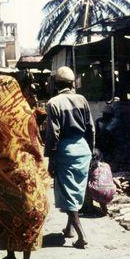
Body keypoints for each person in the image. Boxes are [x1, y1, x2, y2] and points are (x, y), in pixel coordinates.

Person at [0, 75, 49, 259]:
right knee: (29, 214)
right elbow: (35, 143)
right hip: (26, 173)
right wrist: (40, 167)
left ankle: (11, 255)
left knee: (5, 214)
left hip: (3, 175)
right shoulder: (27, 112)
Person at [45, 66, 95, 248]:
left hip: (66, 150)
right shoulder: (82, 100)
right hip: (82, 149)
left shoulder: (53, 103)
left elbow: (53, 134)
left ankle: (82, 236)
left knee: (68, 193)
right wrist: (91, 150)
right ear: (72, 83)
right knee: (75, 191)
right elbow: (91, 128)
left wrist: (50, 158)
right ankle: (69, 229)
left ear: (56, 84)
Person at [87, 149, 116, 215]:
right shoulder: (107, 165)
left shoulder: (91, 168)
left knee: (91, 184)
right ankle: (104, 208)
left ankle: (89, 207)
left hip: (99, 192)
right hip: (112, 191)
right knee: (101, 184)